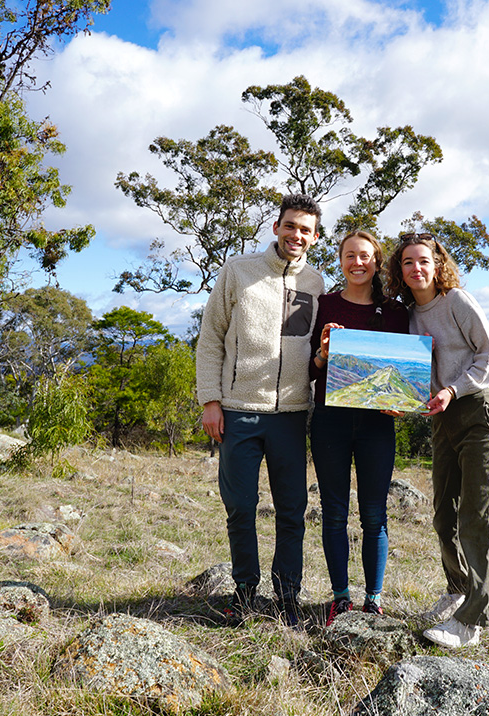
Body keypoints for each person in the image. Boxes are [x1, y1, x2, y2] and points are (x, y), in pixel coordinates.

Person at [196, 193, 324, 625]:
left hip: (291, 416)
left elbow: (318, 351)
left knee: (292, 512)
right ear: (276, 227)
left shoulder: (317, 285)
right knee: (241, 507)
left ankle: (288, 597)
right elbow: (211, 339)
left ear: (314, 237)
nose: (296, 235)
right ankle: (245, 591)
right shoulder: (238, 272)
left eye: (305, 229)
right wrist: (210, 401)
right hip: (238, 410)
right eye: (290, 226)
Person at [385, 232, 489, 649]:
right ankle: (457, 590)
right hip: (442, 421)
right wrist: (401, 399)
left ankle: (473, 617)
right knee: (444, 515)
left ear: (438, 264)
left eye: (424, 260)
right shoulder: (409, 316)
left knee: (477, 516)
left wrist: (453, 389)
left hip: (477, 415)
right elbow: (416, 373)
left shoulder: (456, 302)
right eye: (407, 263)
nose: (416, 269)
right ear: (398, 271)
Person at [309, 231, 410, 625]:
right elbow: (309, 371)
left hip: (377, 427)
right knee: (333, 513)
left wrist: (404, 403)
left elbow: (405, 374)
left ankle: (373, 599)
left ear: (376, 261)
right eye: (349, 255)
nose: (357, 263)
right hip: (329, 421)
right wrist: (321, 353)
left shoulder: (396, 312)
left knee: (374, 514)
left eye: (365, 256)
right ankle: (339, 599)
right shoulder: (324, 306)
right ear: (340, 260)